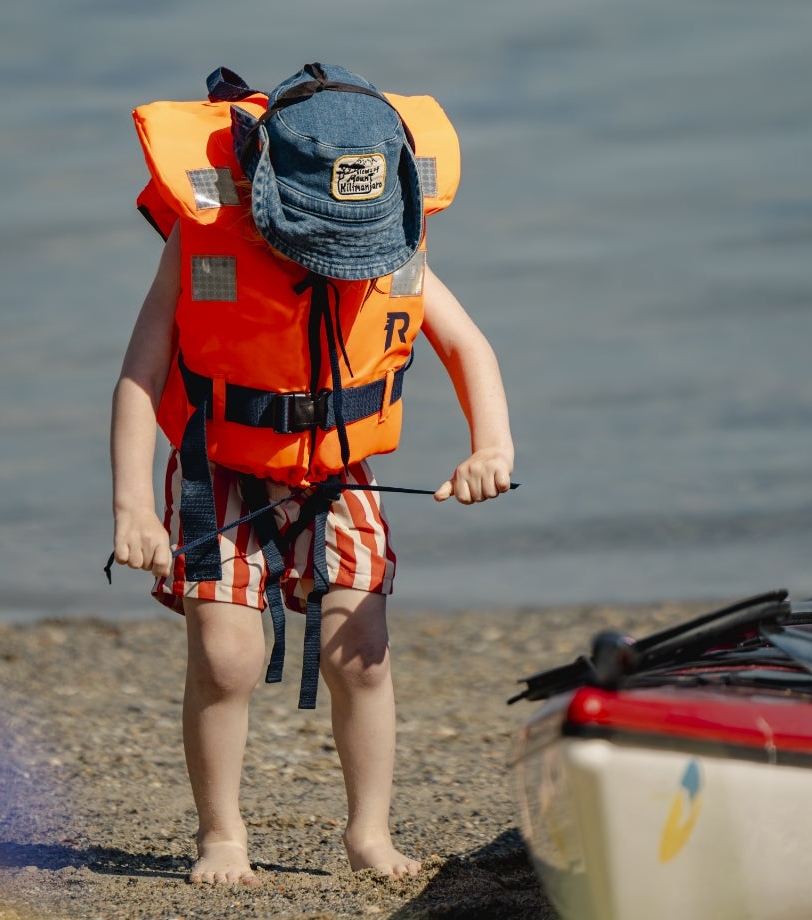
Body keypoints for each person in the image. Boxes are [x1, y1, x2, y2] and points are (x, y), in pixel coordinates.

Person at [109, 64, 514, 884]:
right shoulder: (205, 235)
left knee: (361, 652)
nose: (344, 259)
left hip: (337, 471)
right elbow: (140, 374)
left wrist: (491, 448)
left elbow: (467, 345)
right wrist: (132, 509)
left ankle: (369, 832)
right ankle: (221, 834)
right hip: (222, 466)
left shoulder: (395, 241)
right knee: (226, 657)